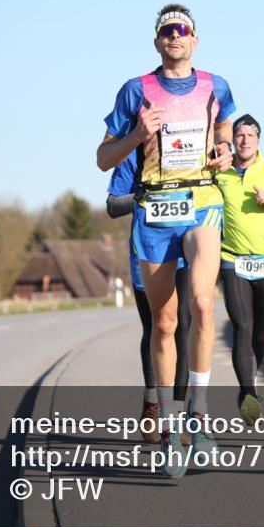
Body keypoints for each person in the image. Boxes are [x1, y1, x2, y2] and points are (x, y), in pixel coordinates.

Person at [97, 3, 235, 478]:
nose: (175, 36)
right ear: (157, 41)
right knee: (163, 324)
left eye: (183, 30)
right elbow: (102, 158)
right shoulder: (136, 90)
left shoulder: (216, 85)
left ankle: (199, 413)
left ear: (195, 39)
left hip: (200, 203)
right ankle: (172, 428)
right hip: (154, 209)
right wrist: (137, 133)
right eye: (166, 31)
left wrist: (223, 152)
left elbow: (225, 133)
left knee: (202, 302)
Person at [104, 153, 192, 447]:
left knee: (182, 331)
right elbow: (113, 205)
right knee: (157, 328)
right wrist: (142, 195)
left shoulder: (188, 148)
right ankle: (152, 398)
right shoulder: (133, 156)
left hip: (185, 252)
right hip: (148, 253)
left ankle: (176, 417)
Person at [215, 114, 264, 424]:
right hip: (232, 259)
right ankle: (248, 391)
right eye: (239, 135)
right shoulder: (220, 173)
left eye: (250, 135)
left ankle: (251, 377)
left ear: (258, 139)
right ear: (232, 139)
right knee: (242, 327)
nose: (244, 140)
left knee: (260, 333)